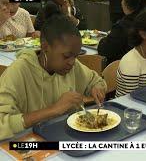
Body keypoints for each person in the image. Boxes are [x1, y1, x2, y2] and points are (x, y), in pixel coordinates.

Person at [0, 10, 107, 141]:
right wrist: (53, 110)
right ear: (45, 47)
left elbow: (95, 80)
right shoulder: (18, 72)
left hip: (65, 137)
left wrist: (97, 87)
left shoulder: (71, 65)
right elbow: (2, 123)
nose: (72, 62)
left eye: (76, 56)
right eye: (67, 56)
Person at [98, 0, 146, 66]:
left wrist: (103, 40)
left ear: (126, 3)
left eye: (123, 0)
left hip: (123, 70)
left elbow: (104, 50)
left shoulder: (122, 26)